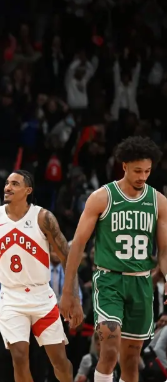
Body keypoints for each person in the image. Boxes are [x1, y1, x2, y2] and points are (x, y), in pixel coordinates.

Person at [60, 136, 167, 382]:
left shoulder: (158, 201)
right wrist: (69, 291)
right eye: (138, 171)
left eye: (147, 171)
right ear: (124, 166)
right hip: (110, 281)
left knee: (131, 362)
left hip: (142, 283)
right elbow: (78, 244)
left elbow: (164, 251)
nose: (143, 176)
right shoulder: (102, 197)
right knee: (109, 350)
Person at [0, 170, 80, 382]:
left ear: (28, 190)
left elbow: (67, 257)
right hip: (11, 297)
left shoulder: (43, 217)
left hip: (41, 295)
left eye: (15, 184)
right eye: (7, 183)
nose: (8, 187)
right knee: (19, 358)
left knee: (59, 360)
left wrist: (73, 297)